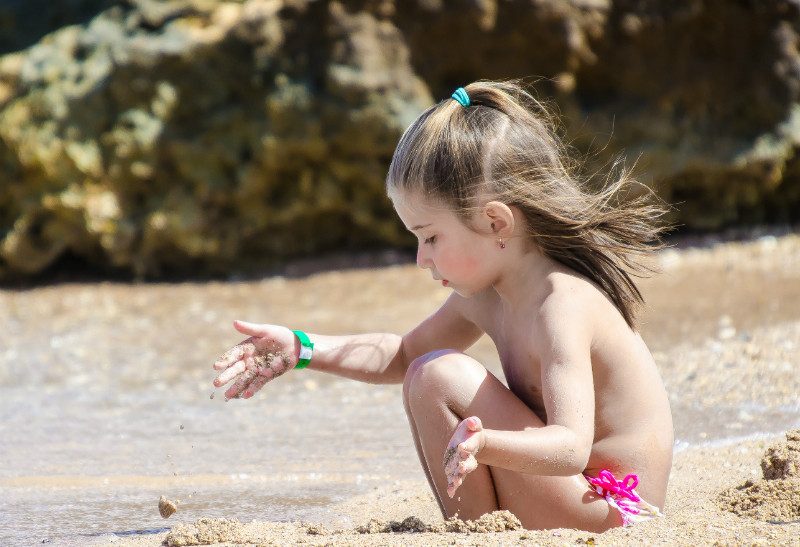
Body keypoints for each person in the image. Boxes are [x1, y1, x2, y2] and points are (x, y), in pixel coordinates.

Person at [211, 80, 674, 532]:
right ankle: (475, 529)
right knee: (424, 371)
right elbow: (403, 354)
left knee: (439, 375)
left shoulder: (561, 306)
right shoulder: (488, 297)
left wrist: (485, 443)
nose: (421, 259)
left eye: (430, 237)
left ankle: (473, 530)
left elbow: (572, 449)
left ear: (496, 222)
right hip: (570, 494)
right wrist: (301, 348)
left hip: (615, 511)